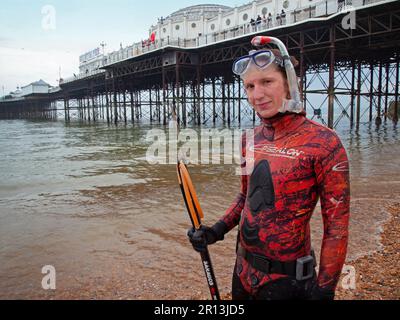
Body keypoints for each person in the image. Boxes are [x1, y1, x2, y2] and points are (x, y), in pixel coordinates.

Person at [187, 36, 350, 300]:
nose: (257, 95)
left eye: (266, 82)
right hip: (242, 270)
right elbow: (246, 198)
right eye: (250, 86)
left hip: (288, 281)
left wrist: (325, 288)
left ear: (289, 83)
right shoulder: (249, 139)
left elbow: (336, 227)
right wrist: (215, 231)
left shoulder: (324, 143)